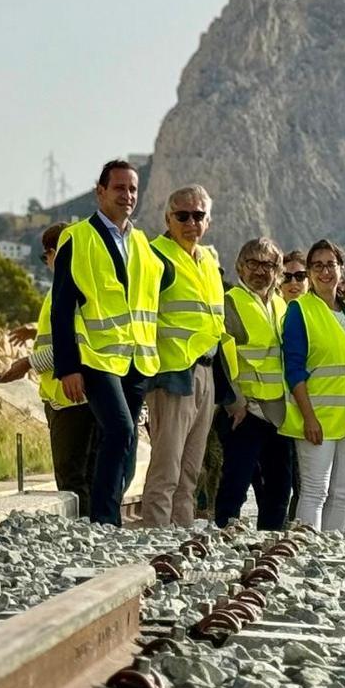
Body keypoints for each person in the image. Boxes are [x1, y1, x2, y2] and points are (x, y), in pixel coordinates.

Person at [51, 159, 171, 526]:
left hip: (136, 359)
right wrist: (68, 367)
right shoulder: (78, 238)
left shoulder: (140, 242)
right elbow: (61, 308)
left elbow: (160, 283)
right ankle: (104, 520)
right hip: (97, 357)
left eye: (133, 189)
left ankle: (108, 511)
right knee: (120, 430)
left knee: (127, 441)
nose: (128, 195)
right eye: (119, 188)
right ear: (100, 191)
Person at [140, 185, 230, 527]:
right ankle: (156, 536)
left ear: (208, 221)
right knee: (167, 466)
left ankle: (181, 534)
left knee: (191, 469)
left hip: (206, 371)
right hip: (172, 373)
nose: (191, 222)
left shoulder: (208, 260)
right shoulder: (155, 257)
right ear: (168, 219)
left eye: (198, 215)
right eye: (182, 216)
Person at [0, 223, 95, 516]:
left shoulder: (71, 286)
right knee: (84, 474)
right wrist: (34, 331)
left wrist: (27, 363)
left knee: (73, 477)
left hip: (71, 397)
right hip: (69, 396)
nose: (47, 263)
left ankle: (84, 532)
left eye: (46, 256)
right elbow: (60, 332)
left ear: (56, 253)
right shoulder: (69, 286)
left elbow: (75, 343)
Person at [280, 240, 345, 531]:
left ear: (341, 269)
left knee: (343, 493)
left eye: (330, 264)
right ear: (309, 272)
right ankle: (308, 547)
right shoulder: (300, 311)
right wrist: (308, 417)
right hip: (318, 416)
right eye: (317, 266)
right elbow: (294, 369)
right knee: (314, 491)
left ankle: (331, 549)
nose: (324, 272)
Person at [215, 237, 294, 530]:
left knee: (279, 487)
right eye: (253, 263)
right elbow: (222, 357)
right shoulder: (231, 303)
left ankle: (269, 541)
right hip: (245, 411)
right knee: (235, 484)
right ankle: (225, 537)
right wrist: (234, 403)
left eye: (268, 265)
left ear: (278, 271)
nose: (260, 270)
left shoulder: (281, 305)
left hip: (278, 412)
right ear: (240, 267)